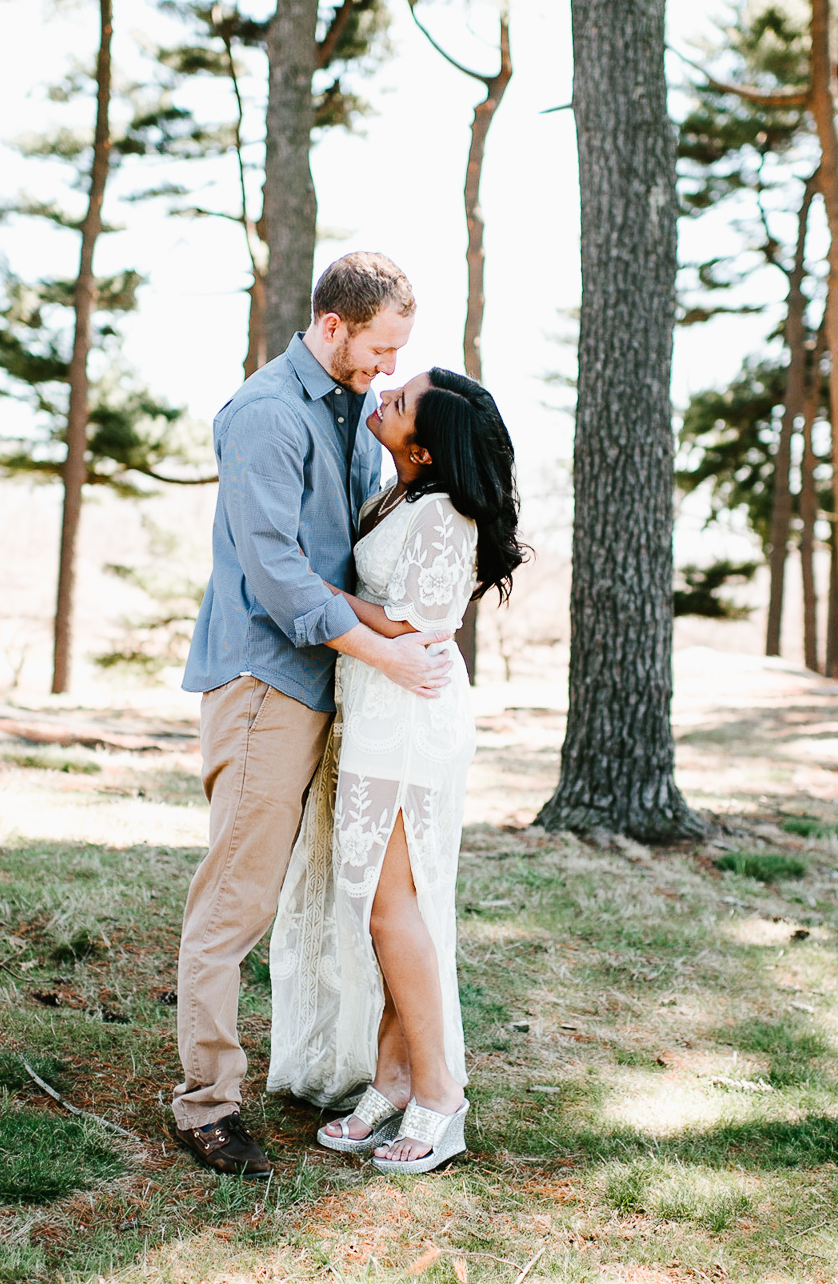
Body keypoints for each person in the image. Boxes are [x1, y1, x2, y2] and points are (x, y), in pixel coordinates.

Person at [171, 253, 457, 1180]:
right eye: (379, 349)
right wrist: (388, 653)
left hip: (327, 687)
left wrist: (402, 629)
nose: (386, 368)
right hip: (266, 686)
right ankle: (206, 1103)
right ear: (332, 326)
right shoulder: (266, 414)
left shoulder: (347, 411)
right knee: (235, 899)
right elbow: (278, 576)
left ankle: (365, 1073)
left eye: (397, 355)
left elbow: (347, 563)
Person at [267, 368, 527, 1173]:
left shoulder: (446, 512)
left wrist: (319, 594)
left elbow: (424, 620)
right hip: (377, 709)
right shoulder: (401, 495)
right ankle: (391, 1074)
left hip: (411, 719)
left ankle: (440, 1094)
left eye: (401, 399)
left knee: (391, 908)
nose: (383, 393)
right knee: (380, 904)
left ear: (423, 443)